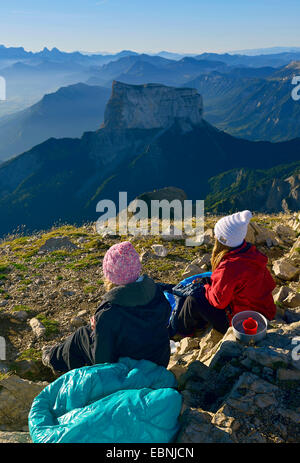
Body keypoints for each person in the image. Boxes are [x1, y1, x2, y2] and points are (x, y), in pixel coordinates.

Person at [42, 241, 172, 373]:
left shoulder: (109, 311)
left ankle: (55, 359)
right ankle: (58, 356)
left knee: (81, 335)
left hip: (125, 370)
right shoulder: (156, 293)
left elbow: (102, 359)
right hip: (159, 361)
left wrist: (97, 331)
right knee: (91, 330)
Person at [176, 210, 277, 336]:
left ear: (223, 240)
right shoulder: (250, 253)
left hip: (243, 321)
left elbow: (218, 302)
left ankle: (180, 332)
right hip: (263, 311)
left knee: (194, 299)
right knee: (203, 289)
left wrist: (206, 288)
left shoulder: (229, 267)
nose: (213, 236)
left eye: (216, 234)